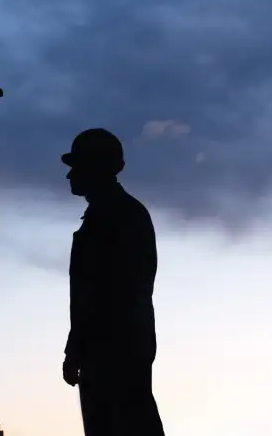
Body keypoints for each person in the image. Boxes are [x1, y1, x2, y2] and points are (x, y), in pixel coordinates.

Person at [60, 128, 165, 436]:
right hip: (112, 349)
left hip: (113, 351)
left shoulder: (117, 217)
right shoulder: (113, 215)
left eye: (76, 168)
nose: (70, 177)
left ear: (96, 169)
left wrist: (78, 348)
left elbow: (105, 294)